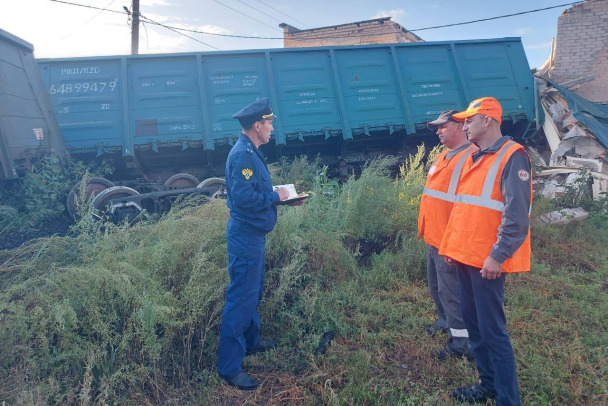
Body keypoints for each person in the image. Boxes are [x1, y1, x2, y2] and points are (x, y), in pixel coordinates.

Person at [439, 97, 532, 406]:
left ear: (488, 121)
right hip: (465, 256)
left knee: (493, 333)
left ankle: (508, 399)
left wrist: (497, 255)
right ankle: (487, 384)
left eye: (469, 120)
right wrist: (452, 246)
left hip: (487, 262)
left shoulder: (512, 156)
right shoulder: (475, 156)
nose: (464, 125)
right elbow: (463, 209)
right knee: (475, 327)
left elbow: (516, 217)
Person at [216, 97, 290, 391]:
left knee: (254, 289)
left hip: (252, 236)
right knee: (241, 298)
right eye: (270, 123)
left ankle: (252, 341)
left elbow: (251, 190)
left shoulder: (251, 151)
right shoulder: (244, 155)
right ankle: (230, 367)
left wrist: (281, 196)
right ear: (257, 125)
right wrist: (276, 198)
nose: (272, 128)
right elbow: (245, 199)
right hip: (246, 237)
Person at [418, 110, 476, 361]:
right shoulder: (442, 157)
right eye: (436, 128)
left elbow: (469, 205)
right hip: (434, 235)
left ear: (461, 126)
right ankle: (444, 322)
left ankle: (462, 344)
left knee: (452, 293)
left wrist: (456, 240)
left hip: (450, 239)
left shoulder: (471, 157)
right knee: (437, 288)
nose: (438, 131)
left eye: (443, 126)